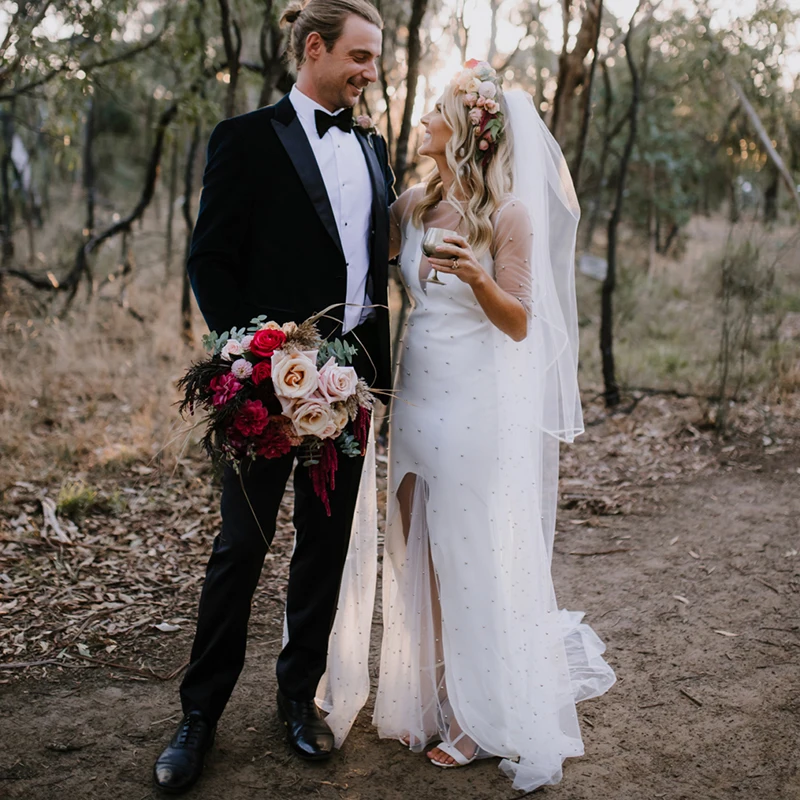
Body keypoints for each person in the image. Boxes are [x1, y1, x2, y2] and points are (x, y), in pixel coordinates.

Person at [152, 0, 394, 793]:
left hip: (351, 380)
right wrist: (256, 357)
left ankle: (299, 699)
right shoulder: (245, 140)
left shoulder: (374, 147)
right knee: (241, 548)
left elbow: (372, 269)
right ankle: (199, 716)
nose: (368, 71)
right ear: (314, 47)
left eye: (374, 58)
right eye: (358, 56)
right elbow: (210, 261)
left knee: (324, 546)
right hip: (268, 382)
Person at [373, 60, 616, 792]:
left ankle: (481, 719)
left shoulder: (507, 218)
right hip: (417, 396)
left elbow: (519, 325)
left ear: (466, 131)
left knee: (466, 555)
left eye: (433, 114)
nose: (421, 124)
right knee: (415, 551)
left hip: (474, 405)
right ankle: (437, 696)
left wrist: (477, 279)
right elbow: (361, 267)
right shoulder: (414, 204)